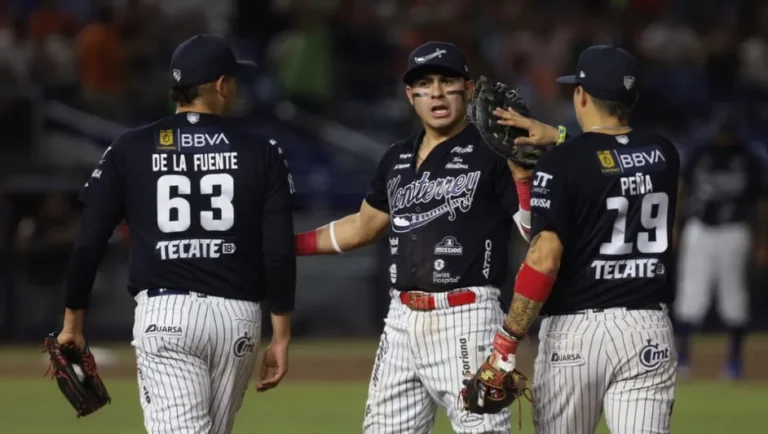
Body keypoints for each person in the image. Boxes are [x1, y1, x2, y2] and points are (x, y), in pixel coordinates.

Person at [55, 34, 296, 434]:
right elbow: (277, 252)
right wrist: (282, 336)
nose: (235, 88)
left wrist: (72, 323)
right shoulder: (262, 150)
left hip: (167, 315)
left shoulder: (129, 147)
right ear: (220, 85)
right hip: (237, 319)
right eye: (234, 80)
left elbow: (89, 243)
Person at [294, 41, 535, 433]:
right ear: (411, 95)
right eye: (424, 83)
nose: (436, 92)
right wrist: (289, 245)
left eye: (447, 81)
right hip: (401, 321)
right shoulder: (396, 158)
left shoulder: (492, 152)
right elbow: (361, 227)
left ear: (469, 89)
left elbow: (531, 231)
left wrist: (523, 177)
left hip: (467, 317)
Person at [469, 45, 681, 433]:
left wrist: (506, 343)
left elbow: (543, 255)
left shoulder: (563, 162)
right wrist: (560, 138)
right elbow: (611, 158)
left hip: (576, 335)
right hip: (648, 330)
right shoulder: (664, 153)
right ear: (631, 98)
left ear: (581, 95)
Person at [674, 114, 768, 379]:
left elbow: (760, 203)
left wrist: (761, 241)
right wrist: (676, 229)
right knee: (691, 296)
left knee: (734, 299)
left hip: (735, 230)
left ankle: (735, 363)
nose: (721, 137)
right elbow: (683, 190)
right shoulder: (700, 153)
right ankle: (683, 359)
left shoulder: (748, 157)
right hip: (700, 228)